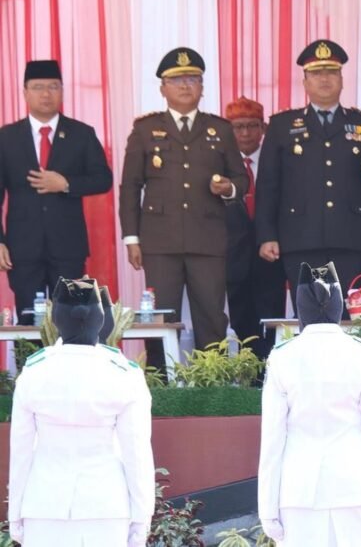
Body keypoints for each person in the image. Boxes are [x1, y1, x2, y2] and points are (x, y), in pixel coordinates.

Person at [119, 47, 248, 370]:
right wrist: (131, 239)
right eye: (176, 80)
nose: (185, 86)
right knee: (161, 315)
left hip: (208, 238)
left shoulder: (220, 129)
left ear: (202, 87)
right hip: (159, 241)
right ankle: (161, 382)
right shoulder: (145, 130)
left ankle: (212, 381)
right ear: (163, 88)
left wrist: (228, 188)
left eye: (193, 79)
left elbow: (241, 178)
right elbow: (130, 186)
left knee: (211, 314)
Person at [8, 277, 154, 547]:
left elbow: (21, 452)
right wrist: (141, 517)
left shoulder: (34, 372)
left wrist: (14, 514)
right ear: (100, 320)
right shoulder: (124, 375)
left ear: (56, 321)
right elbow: (137, 454)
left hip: (44, 507)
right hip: (107, 507)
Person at [258, 262, 361, 547]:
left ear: (301, 310)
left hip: (297, 493)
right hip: (355, 489)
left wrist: (266, 509)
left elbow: (271, 441)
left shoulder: (282, 357)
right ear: (337, 309)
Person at [256, 39, 361, 304]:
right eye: (317, 73)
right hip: (300, 238)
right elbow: (268, 185)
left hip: (352, 238)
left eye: (331, 72)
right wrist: (266, 236)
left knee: (353, 316)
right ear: (305, 82)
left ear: (342, 80)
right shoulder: (282, 125)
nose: (324, 79)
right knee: (311, 318)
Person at [0, 60, 113, 324]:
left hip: (68, 245)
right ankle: (29, 367)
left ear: (62, 91)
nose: (46, 94)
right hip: (23, 247)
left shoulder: (81, 133)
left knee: (73, 320)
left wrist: (66, 184)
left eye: (53, 87)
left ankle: (70, 366)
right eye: (38, 87)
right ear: (25, 92)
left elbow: (103, 179)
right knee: (29, 323)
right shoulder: (6, 137)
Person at [223, 96, 286, 360]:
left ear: (263, 128)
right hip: (231, 256)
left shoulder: (279, 161)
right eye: (238, 127)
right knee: (238, 320)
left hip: (270, 256)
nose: (246, 133)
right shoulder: (220, 163)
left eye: (252, 125)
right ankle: (244, 379)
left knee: (271, 320)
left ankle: (269, 375)